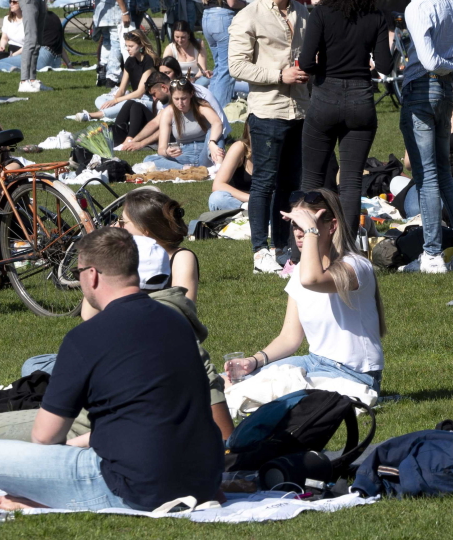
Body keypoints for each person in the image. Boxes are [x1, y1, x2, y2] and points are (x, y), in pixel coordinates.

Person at [0, 227, 222, 511]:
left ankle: (52, 497)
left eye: (77, 272)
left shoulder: (86, 337)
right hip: (204, 480)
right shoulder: (178, 323)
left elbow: (45, 437)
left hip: (137, 488)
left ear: (92, 274)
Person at [224, 187, 385, 392]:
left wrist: (311, 232)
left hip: (353, 374)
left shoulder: (355, 266)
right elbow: (289, 337)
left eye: (305, 226)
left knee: (256, 391)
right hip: (314, 363)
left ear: (332, 226)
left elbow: (312, 280)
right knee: (225, 382)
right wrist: (254, 362)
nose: (299, 233)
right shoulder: (301, 270)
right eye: (295, 226)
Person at [299, 0, 394, 240]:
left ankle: (306, 246)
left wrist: (320, 70)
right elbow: (386, 65)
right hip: (361, 99)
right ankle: (349, 248)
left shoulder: (322, 14)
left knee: (312, 179)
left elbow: (305, 61)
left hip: (325, 96)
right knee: (351, 181)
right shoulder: (376, 16)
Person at [229, 0, 310, 276]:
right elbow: (236, 66)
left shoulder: (303, 12)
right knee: (263, 182)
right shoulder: (248, 16)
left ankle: (282, 247)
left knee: (291, 183)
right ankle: (260, 249)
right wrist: (279, 75)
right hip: (268, 111)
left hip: (301, 111)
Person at [394, 0, 453, 274]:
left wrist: (441, 68)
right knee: (441, 174)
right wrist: (451, 71)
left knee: (426, 176)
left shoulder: (417, 5)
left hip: (423, 88)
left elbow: (428, 59)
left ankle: (431, 254)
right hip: (444, 89)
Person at [118, 188, 197, 302]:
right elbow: (88, 314)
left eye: (122, 221)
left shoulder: (181, 258)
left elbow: (182, 309)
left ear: (144, 229)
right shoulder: (124, 254)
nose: (117, 225)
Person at [198, 0, 241, 111]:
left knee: (218, 65)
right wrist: (246, 4)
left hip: (207, 18)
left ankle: (210, 104)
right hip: (223, 18)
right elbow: (231, 2)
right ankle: (219, 109)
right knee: (227, 67)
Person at [148, 78, 228, 170]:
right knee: (149, 159)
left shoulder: (201, 107)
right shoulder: (168, 112)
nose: (180, 103)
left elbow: (217, 123)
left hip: (206, 152)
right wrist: (167, 152)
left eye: (183, 98)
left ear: (191, 94)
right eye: (176, 99)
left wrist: (212, 143)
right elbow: (161, 149)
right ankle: (185, 169)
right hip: (183, 155)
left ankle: (219, 167)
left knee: (215, 134)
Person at [209, 136, 253, 213]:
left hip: (269, 200)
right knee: (216, 198)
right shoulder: (240, 147)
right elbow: (218, 185)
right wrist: (254, 199)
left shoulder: (278, 149)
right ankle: (246, 210)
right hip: (240, 201)